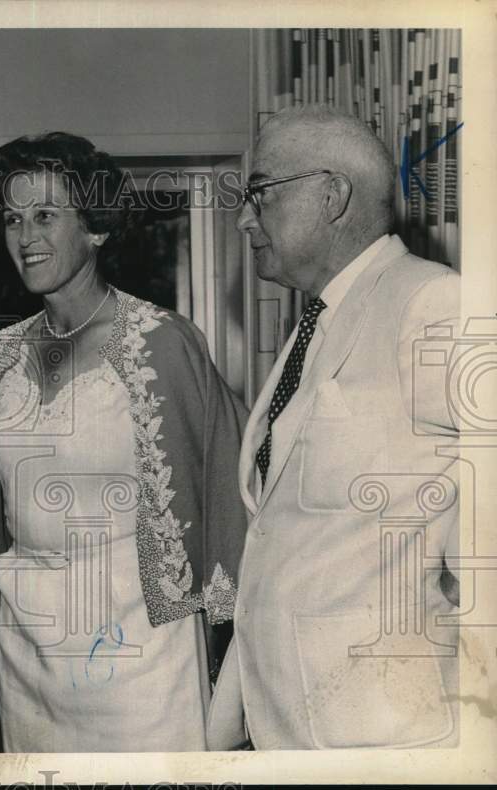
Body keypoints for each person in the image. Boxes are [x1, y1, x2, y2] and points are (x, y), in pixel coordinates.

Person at [0, 132, 248, 751]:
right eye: (13, 218)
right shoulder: (1, 356)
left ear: (96, 227)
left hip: (137, 653)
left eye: (46, 215)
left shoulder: (161, 341)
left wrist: (220, 636)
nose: (24, 237)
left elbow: (224, 483)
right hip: (28, 651)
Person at [206, 105, 461, 750]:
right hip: (285, 729)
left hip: (383, 737)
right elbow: (277, 542)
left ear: (332, 195)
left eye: (258, 193)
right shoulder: (312, 326)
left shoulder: (434, 303)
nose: (242, 218)